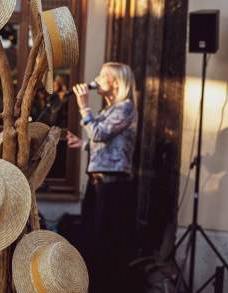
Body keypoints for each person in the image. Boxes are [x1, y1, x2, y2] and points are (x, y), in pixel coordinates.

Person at [67, 62, 139, 292]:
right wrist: (84, 144)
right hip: (98, 180)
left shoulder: (125, 107)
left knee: (106, 241)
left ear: (116, 82)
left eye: (102, 75)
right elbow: (108, 143)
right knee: (90, 236)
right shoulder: (108, 110)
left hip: (113, 184)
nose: (96, 78)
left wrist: (84, 107)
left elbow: (99, 132)